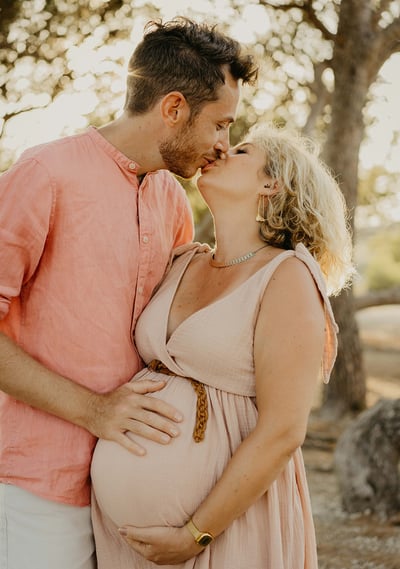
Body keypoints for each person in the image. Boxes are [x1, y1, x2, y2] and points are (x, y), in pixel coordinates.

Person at [0, 18, 257, 569]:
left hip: (130, 493)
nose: (223, 146)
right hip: (37, 489)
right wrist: (94, 411)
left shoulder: (170, 199)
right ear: (172, 108)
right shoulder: (45, 173)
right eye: (220, 125)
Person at [90, 123, 354, 569]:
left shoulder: (287, 276)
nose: (220, 151)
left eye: (242, 150)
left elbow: (283, 430)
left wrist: (196, 535)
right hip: (121, 540)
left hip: (224, 533)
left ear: (272, 183)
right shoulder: (182, 260)